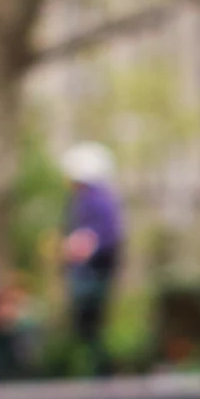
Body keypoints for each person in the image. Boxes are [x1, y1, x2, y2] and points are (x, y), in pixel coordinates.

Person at [58, 143, 124, 376]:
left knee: (90, 324)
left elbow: (106, 235)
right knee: (84, 325)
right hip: (83, 269)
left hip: (93, 270)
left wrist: (86, 244)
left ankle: (99, 370)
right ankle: (88, 367)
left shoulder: (98, 198)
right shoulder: (82, 198)